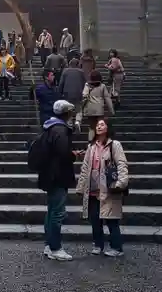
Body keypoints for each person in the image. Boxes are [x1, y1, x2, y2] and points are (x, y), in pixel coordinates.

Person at [76, 118, 128, 257]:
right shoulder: (91, 147)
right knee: (95, 219)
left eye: (102, 124)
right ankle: (98, 244)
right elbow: (85, 167)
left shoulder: (114, 145)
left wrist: (121, 182)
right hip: (93, 188)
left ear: (107, 127)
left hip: (109, 188)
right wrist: (81, 187)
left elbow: (122, 164)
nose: (99, 127)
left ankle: (116, 247)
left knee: (111, 219)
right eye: (97, 125)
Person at [38, 100, 78, 261]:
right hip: (58, 176)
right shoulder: (60, 130)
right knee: (57, 213)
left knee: (52, 210)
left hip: (49, 174)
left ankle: (49, 244)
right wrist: (73, 155)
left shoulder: (49, 127)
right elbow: (63, 154)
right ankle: (55, 247)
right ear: (66, 113)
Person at [82, 70, 114, 142]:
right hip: (99, 110)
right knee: (100, 126)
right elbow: (107, 98)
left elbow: (84, 96)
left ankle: (90, 142)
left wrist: (82, 107)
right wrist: (111, 110)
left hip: (90, 110)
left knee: (91, 127)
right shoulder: (102, 86)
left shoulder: (87, 85)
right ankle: (100, 141)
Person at [59, 58, 86, 130]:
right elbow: (84, 83)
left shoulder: (65, 71)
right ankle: (77, 121)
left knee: (68, 109)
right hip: (78, 93)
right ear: (77, 64)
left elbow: (61, 83)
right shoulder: (81, 72)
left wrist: (60, 92)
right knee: (79, 109)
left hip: (67, 93)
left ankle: (69, 123)